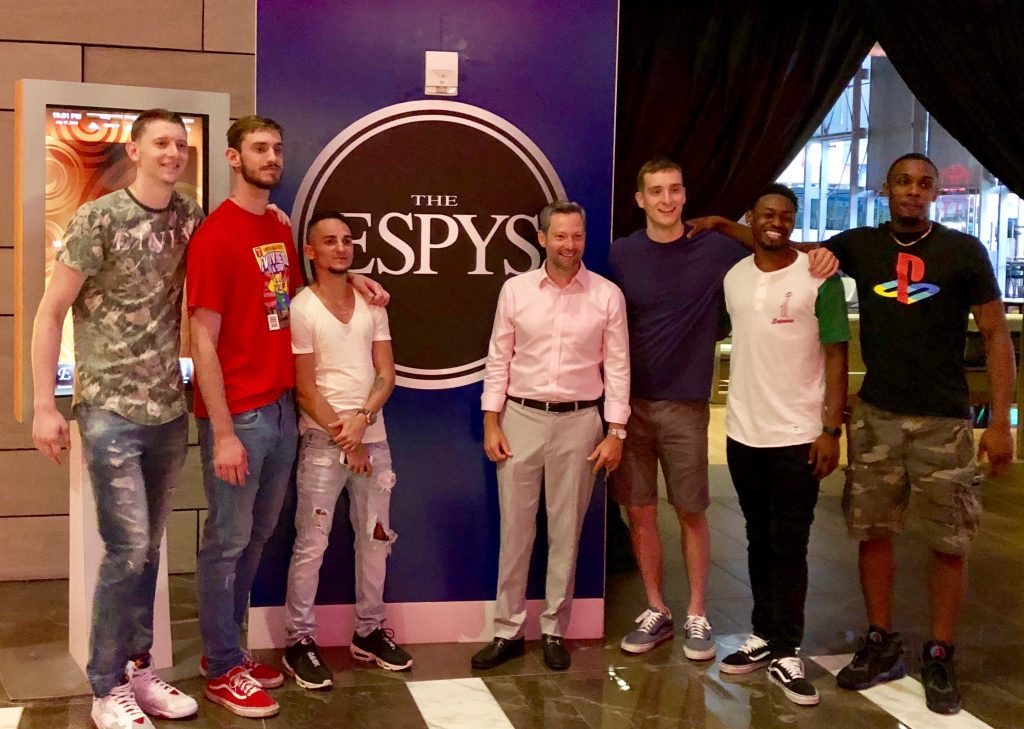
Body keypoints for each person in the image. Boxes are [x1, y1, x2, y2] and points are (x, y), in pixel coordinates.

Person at [692, 153, 1016, 715]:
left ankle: (940, 652)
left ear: (936, 192)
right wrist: (724, 225)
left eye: (924, 184)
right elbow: (779, 244)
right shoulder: (857, 246)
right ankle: (880, 640)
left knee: (948, 540)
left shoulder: (965, 253)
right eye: (903, 182)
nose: (912, 192)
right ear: (886, 188)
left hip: (945, 420)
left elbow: (994, 337)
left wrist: (1002, 425)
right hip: (875, 417)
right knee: (874, 533)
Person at [608, 159, 837, 659]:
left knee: (691, 511)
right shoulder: (621, 255)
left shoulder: (716, 251)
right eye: (656, 191)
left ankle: (696, 614)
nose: (666, 200)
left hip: (687, 406)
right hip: (628, 408)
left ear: (685, 195)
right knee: (640, 511)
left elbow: (775, 241)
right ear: (640, 199)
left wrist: (821, 256)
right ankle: (655, 609)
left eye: (674, 190)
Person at [30, 109, 203, 729]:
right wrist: (45, 405)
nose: (172, 153)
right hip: (107, 409)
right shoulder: (97, 218)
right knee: (127, 550)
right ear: (134, 149)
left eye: (180, 144)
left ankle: (138, 671)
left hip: (166, 409)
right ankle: (106, 688)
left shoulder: (190, 216)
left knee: (149, 550)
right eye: (160, 142)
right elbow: (50, 312)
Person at [472, 200, 630, 671]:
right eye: (560, 236)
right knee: (515, 532)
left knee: (566, 532)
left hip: (583, 423)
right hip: (520, 418)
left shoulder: (607, 296)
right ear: (541, 239)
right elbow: (498, 358)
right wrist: (491, 419)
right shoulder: (516, 292)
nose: (569, 244)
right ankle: (507, 631)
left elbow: (618, 367)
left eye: (577, 235)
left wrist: (616, 430)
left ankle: (555, 631)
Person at [718, 184, 849, 708]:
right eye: (767, 215)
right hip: (742, 432)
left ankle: (787, 648)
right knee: (756, 536)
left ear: (795, 221)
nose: (777, 223)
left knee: (790, 542)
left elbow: (837, 355)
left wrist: (831, 430)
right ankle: (762, 634)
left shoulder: (821, 275)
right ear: (752, 218)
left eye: (786, 216)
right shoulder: (734, 276)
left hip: (799, 435)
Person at [282, 211, 411, 690]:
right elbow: (304, 387)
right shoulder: (302, 307)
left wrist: (363, 423)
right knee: (311, 544)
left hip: (371, 438)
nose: (340, 248)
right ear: (311, 252)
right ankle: (298, 641)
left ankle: (369, 631)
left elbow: (386, 373)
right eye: (329, 241)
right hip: (322, 441)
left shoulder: (371, 304)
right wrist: (346, 436)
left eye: (347, 240)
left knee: (376, 540)